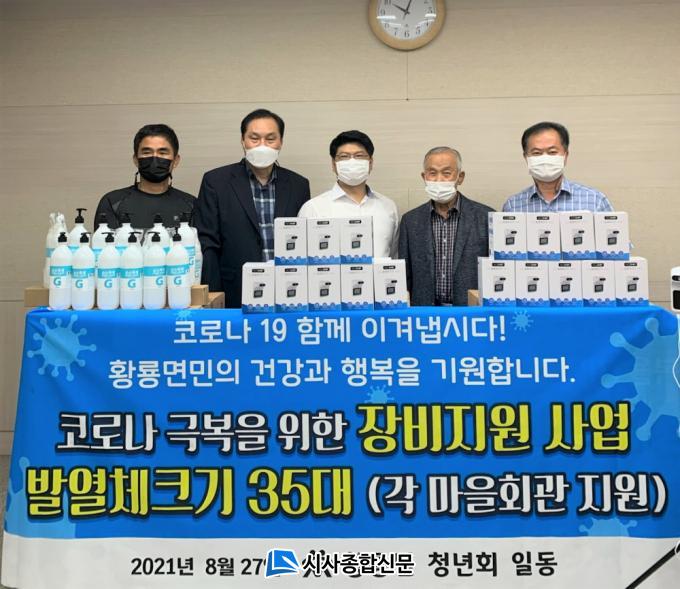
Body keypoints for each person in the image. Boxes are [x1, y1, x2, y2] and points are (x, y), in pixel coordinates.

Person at [193, 108, 310, 307]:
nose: (262, 145)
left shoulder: (298, 185)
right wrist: (213, 296)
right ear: (243, 140)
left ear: (281, 142)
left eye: (270, 139)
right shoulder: (216, 181)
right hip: (234, 291)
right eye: (254, 138)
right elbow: (207, 243)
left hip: (286, 291)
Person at [399, 147, 493, 306]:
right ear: (424, 177)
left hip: (470, 312)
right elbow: (404, 275)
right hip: (424, 312)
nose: (439, 179)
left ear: (460, 177)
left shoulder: (486, 217)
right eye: (432, 173)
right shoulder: (410, 221)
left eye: (446, 173)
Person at [297, 130, 399, 258]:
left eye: (359, 156)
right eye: (344, 156)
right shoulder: (313, 208)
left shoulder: (388, 207)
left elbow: (394, 257)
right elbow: (300, 258)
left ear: (370, 163)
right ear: (333, 164)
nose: (352, 162)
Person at [94, 124, 195, 229]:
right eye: (147, 152)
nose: (155, 158)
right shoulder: (112, 202)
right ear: (136, 160)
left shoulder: (191, 204)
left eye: (162, 152)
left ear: (176, 161)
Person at [503, 121, 613, 212]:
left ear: (565, 155)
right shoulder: (513, 206)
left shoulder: (595, 201)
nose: (545, 158)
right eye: (536, 153)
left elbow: (614, 232)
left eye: (552, 152)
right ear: (526, 158)